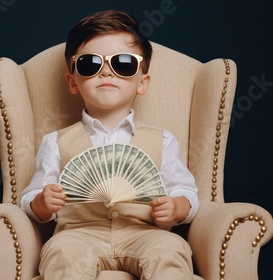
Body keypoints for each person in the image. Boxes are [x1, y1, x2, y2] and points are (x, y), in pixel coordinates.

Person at [20, 10, 199, 280]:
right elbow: (29, 200)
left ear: (142, 83)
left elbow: (187, 192)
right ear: (72, 81)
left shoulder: (163, 140)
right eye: (90, 64)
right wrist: (43, 203)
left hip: (145, 234)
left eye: (123, 64)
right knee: (61, 253)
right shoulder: (55, 142)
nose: (106, 72)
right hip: (78, 235)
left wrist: (175, 208)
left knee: (172, 250)